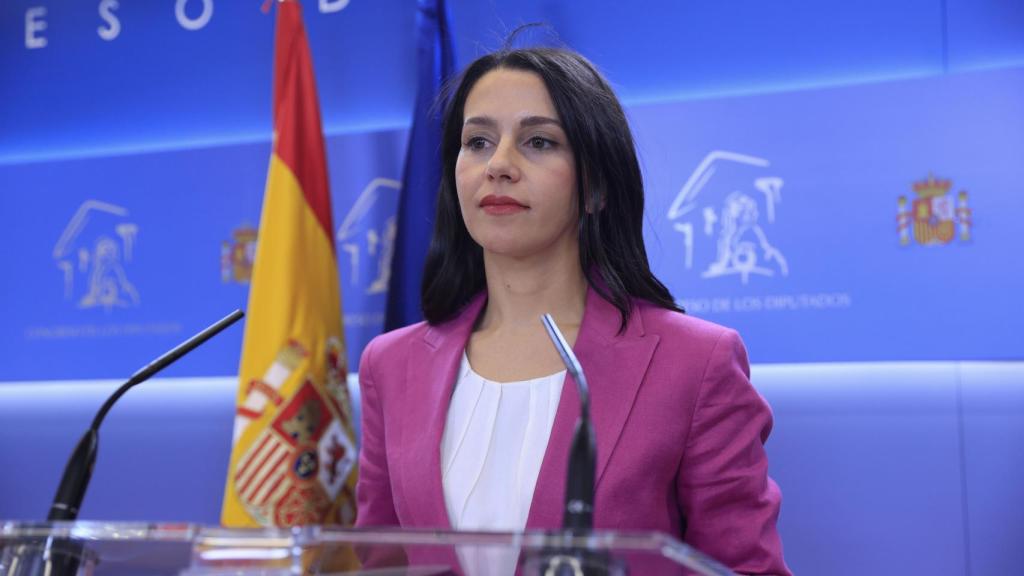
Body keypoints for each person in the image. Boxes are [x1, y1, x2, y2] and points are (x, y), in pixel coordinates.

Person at [355, 45, 791, 576]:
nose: (499, 165)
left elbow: (744, 568)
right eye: (478, 142)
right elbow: (378, 563)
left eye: (538, 141)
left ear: (597, 187)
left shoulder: (696, 363)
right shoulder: (391, 364)